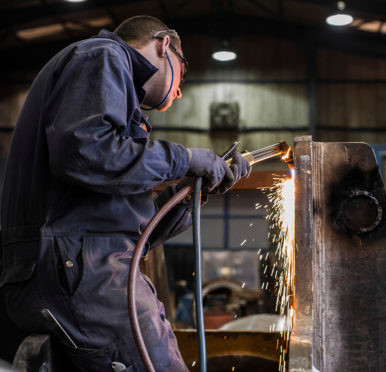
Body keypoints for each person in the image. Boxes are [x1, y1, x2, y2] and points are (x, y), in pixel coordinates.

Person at [0, 15, 250, 371]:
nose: (178, 91)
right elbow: (85, 152)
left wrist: (194, 190)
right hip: (80, 270)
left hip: (76, 263)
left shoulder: (109, 95)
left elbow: (138, 236)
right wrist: (185, 158)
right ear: (164, 45)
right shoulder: (104, 56)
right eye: (182, 72)